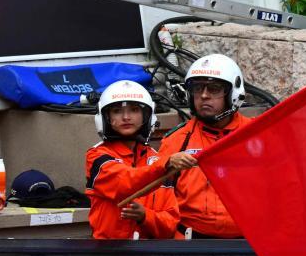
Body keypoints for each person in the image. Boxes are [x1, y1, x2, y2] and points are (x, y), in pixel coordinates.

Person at [156, 54, 248, 238]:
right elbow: (159, 202)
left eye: (214, 89)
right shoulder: (176, 140)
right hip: (191, 242)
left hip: (249, 242)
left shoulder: (256, 135)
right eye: (198, 88)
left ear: (233, 93)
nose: (204, 95)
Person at [85, 80, 181, 239]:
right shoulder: (97, 156)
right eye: (117, 111)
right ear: (105, 117)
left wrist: (145, 216)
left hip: (149, 252)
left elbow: (170, 225)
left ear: (147, 116)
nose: (126, 117)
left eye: (134, 110)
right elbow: (124, 183)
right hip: (108, 250)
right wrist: (164, 165)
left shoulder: (157, 160)